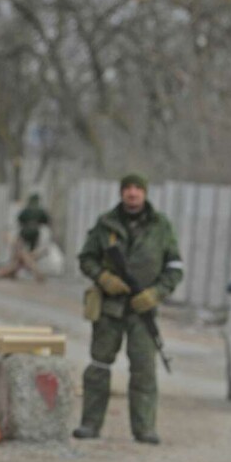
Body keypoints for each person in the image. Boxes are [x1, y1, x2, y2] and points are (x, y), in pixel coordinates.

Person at [73, 174, 183, 445]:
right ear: (121, 193)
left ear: (144, 193)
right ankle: (89, 424)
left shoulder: (161, 226)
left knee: (144, 369)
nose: (132, 194)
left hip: (142, 311)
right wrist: (104, 278)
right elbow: (86, 259)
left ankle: (144, 428)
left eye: (137, 189)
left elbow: (174, 268)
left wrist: (155, 294)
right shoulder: (106, 224)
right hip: (110, 308)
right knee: (99, 365)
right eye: (127, 189)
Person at [0, 193, 51, 281]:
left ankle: (26, 270)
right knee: (28, 253)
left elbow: (19, 220)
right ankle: (19, 270)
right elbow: (46, 221)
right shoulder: (41, 210)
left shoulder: (26, 209)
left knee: (20, 252)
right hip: (35, 232)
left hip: (25, 232)